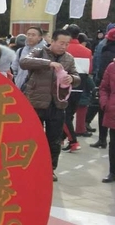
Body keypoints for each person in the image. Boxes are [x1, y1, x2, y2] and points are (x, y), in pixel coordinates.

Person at [20, 29, 80, 181]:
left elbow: (77, 76)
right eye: (61, 43)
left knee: (54, 140)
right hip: (36, 103)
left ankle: (50, 169)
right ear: (52, 41)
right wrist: (48, 63)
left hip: (57, 104)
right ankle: (30, 167)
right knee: (33, 138)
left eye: (66, 44)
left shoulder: (68, 58)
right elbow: (24, 62)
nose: (63, 46)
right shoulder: (39, 51)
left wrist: (72, 79)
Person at [61, 24, 92, 153]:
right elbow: (89, 70)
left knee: (63, 116)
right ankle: (63, 139)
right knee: (69, 115)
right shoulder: (87, 51)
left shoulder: (64, 48)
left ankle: (73, 141)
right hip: (79, 87)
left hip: (64, 86)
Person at [12, 26, 46, 91]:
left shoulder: (45, 51)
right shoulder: (20, 51)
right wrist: (15, 80)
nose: (30, 37)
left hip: (35, 90)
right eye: (28, 34)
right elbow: (14, 69)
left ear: (39, 37)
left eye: (33, 35)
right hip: (18, 87)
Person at [98, 59, 115, 183]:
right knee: (113, 144)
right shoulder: (112, 67)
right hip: (113, 110)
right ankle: (112, 172)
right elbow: (104, 88)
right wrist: (105, 103)